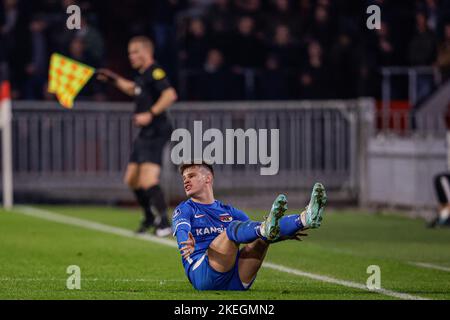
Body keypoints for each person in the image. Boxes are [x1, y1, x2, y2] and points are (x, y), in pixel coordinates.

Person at [172, 162, 327, 291]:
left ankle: (304, 219)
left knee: (261, 237)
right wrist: (185, 242)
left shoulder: (229, 211)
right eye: (184, 178)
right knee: (235, 229)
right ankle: (299, 220)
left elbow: (256, 230)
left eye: (191, 176)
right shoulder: (185, 209)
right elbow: (181, 229)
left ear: (208, 178)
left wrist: (283, 233)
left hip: (237, 279)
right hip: (204, 274)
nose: (186, 180)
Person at [97, 36, 178, 236]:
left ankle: (164, 223)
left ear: (146, 52)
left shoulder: (155, 72)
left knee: (148, 179)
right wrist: (113, 79)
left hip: (156, 130)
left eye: (134, 52)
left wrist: (150, 114)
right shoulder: (142, 75)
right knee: (131, 179)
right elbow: (133, 89)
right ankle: (150, 217)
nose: (131, 56)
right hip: (145, 132)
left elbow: (170, 95)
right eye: (129, 53)